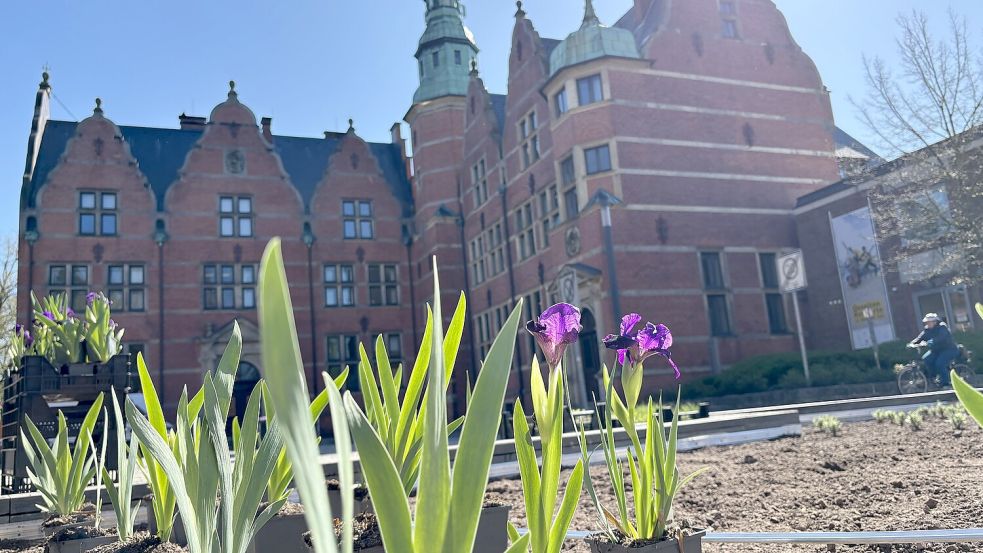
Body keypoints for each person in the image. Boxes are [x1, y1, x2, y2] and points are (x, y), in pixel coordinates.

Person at [908, 313, 960, 387]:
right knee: (926, 359)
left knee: (940, 363)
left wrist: (931, 341)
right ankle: (935, 377)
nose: (927, 324)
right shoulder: (927, 330)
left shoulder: (942, 327)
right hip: (936, 351)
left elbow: (941, 337)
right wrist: (911, 344)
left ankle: (946, 383)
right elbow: (919, 338)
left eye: (929, 322)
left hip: (949, 349)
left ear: (935, 322)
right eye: (927, 322)